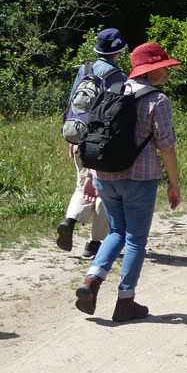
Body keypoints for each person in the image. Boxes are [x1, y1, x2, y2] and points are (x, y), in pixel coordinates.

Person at [75, 41, 182, 322]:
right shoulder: (157, 100)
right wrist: (174, 184)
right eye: (163, 68)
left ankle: (91, 280)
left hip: (103, 176)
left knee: (115, 232)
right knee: (135, 239)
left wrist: (88, 176)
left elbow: (95, 135)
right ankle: (126, 301)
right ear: (150, 71)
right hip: (139, 178)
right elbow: (167, 147)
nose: (166, 73)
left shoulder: (111, 91)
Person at [57, 27, 127, 258]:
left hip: (78, 135)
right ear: (119, 51)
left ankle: (69, 221)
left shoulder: (83, 70)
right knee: (104, 190)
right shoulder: (118, 77)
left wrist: (73, 138)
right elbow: (115, 114)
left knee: (81, 185)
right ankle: (94, 244)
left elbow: (72, 104)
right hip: (102, 143)